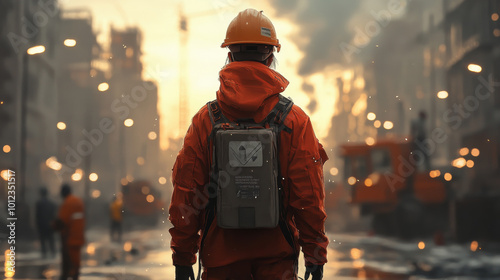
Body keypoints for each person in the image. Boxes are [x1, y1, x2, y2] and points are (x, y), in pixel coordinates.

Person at [169, 9, 328, 280]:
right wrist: (314, 253)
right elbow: (308, 195)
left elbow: (187, 192)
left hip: (220, 262)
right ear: (271, 55)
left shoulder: (205, 120)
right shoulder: (294, 120)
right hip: (275, 262)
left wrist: (183, 258)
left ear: (229, 54)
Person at [53, 184, 85, 280]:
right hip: (78, 236)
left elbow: (62, 221)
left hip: (69, 237)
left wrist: (53, 226)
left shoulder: (67, 203)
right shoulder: (78, 201)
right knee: (76, 260)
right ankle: (75, 275)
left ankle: (69, 275)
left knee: (68, 261)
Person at [36, 187, 57, 258]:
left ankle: (44, 254)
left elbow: (37, 215)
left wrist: (37, 224)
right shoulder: (51, 204)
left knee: (43, 241)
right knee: (51, 240)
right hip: (50, 224)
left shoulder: (39, 203)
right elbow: (54, 215)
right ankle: (53, 253)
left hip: (42, 225)